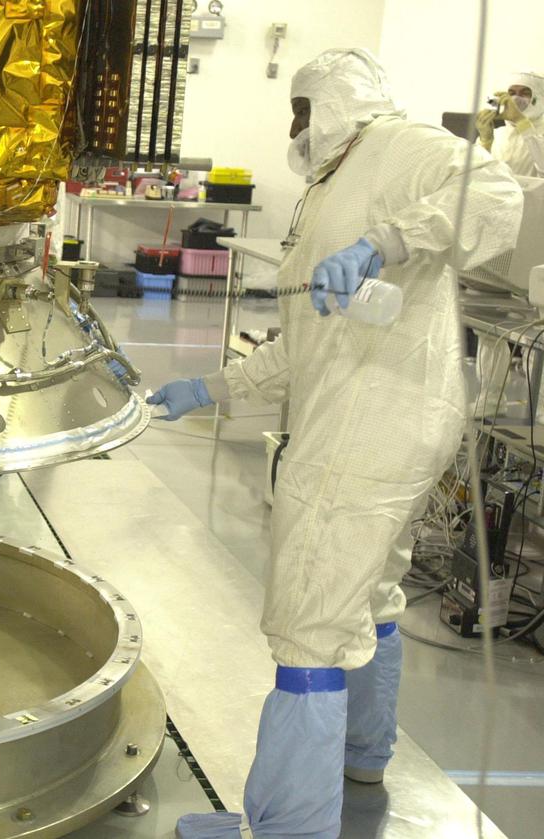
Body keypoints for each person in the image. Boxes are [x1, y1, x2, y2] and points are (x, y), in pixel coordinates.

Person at [150, 49, 522, 839]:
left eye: (301, 107)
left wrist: (385, 241)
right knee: (369, 588)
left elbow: (492, 194)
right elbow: (308, 333)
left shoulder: (396, 146)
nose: (293, 127)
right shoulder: (332, 184)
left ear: (338, 102)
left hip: (369, 421)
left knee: (311, 611)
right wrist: (213, 388)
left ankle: (288, 827)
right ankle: (361, 756)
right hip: (388, 414)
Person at [477, 71, 544, 177]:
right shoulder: (497, 135)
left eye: (525, 93)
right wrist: (485, 142)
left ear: (538, 97)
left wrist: (522, 122)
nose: (516, 99)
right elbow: (476, 175)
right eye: (512, 93)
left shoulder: (540, 134)